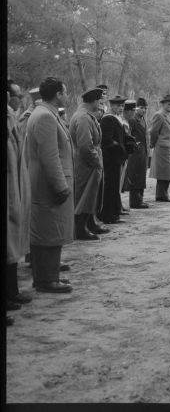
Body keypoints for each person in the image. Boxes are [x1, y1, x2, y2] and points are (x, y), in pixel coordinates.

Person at [25, 77, 74, 293]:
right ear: (58, 94)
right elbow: (50, 156)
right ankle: (46, 280)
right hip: (49, 184)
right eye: (65, 91)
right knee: (49, 231)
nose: (67, 95)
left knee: (52, 230)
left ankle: (48, 276)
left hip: (47, 183)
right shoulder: (45, 116)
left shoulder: (46, 113)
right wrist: (60, 186)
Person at [69, 87, 108, 241]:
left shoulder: (86, 115)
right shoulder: (83, 117)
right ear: (93, 101)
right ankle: (80, 229)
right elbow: (86, 145)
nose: (101, 104)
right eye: (100, 101)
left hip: (88, 162)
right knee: (84, 196)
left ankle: (87, 225)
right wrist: (96, 162)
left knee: (90, 196)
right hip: (86, 164)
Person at [7, 80, 32, 315]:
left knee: (12, 243)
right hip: (10, 189)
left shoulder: (13, 117)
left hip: (14, 187)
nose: (19, 99)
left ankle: (12, 292)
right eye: (16, 95)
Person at [98, 95, 127, 224]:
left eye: (122, 106)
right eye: (118, 106)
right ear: (112, 106)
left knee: (115, 187)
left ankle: (114, 213)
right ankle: (108, 215)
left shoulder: (118, 119)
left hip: (117, 158)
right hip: (110, 159)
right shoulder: (108, 119)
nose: (121, 108)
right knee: (110, 187)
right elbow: (106, 140)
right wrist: (119, 147)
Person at [150, 94, 170, 202]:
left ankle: (163, 194)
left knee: (168, 172)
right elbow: (153, 131)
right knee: (163, 172)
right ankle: (161, 195)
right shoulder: (159, 115)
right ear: (163, 104)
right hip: (163, 147)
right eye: (168, 104)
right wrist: (153, 143)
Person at [127, 97, 150, 209]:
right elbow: (128, 135)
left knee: (141, 177)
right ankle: (135, 202)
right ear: (136, 108)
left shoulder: (143, 120)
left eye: (145, 108)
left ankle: (140, 199)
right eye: (141, 108)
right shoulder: (132, 120)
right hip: (135, 154)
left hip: (143, 153)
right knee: (135, 176)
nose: (144, 110)